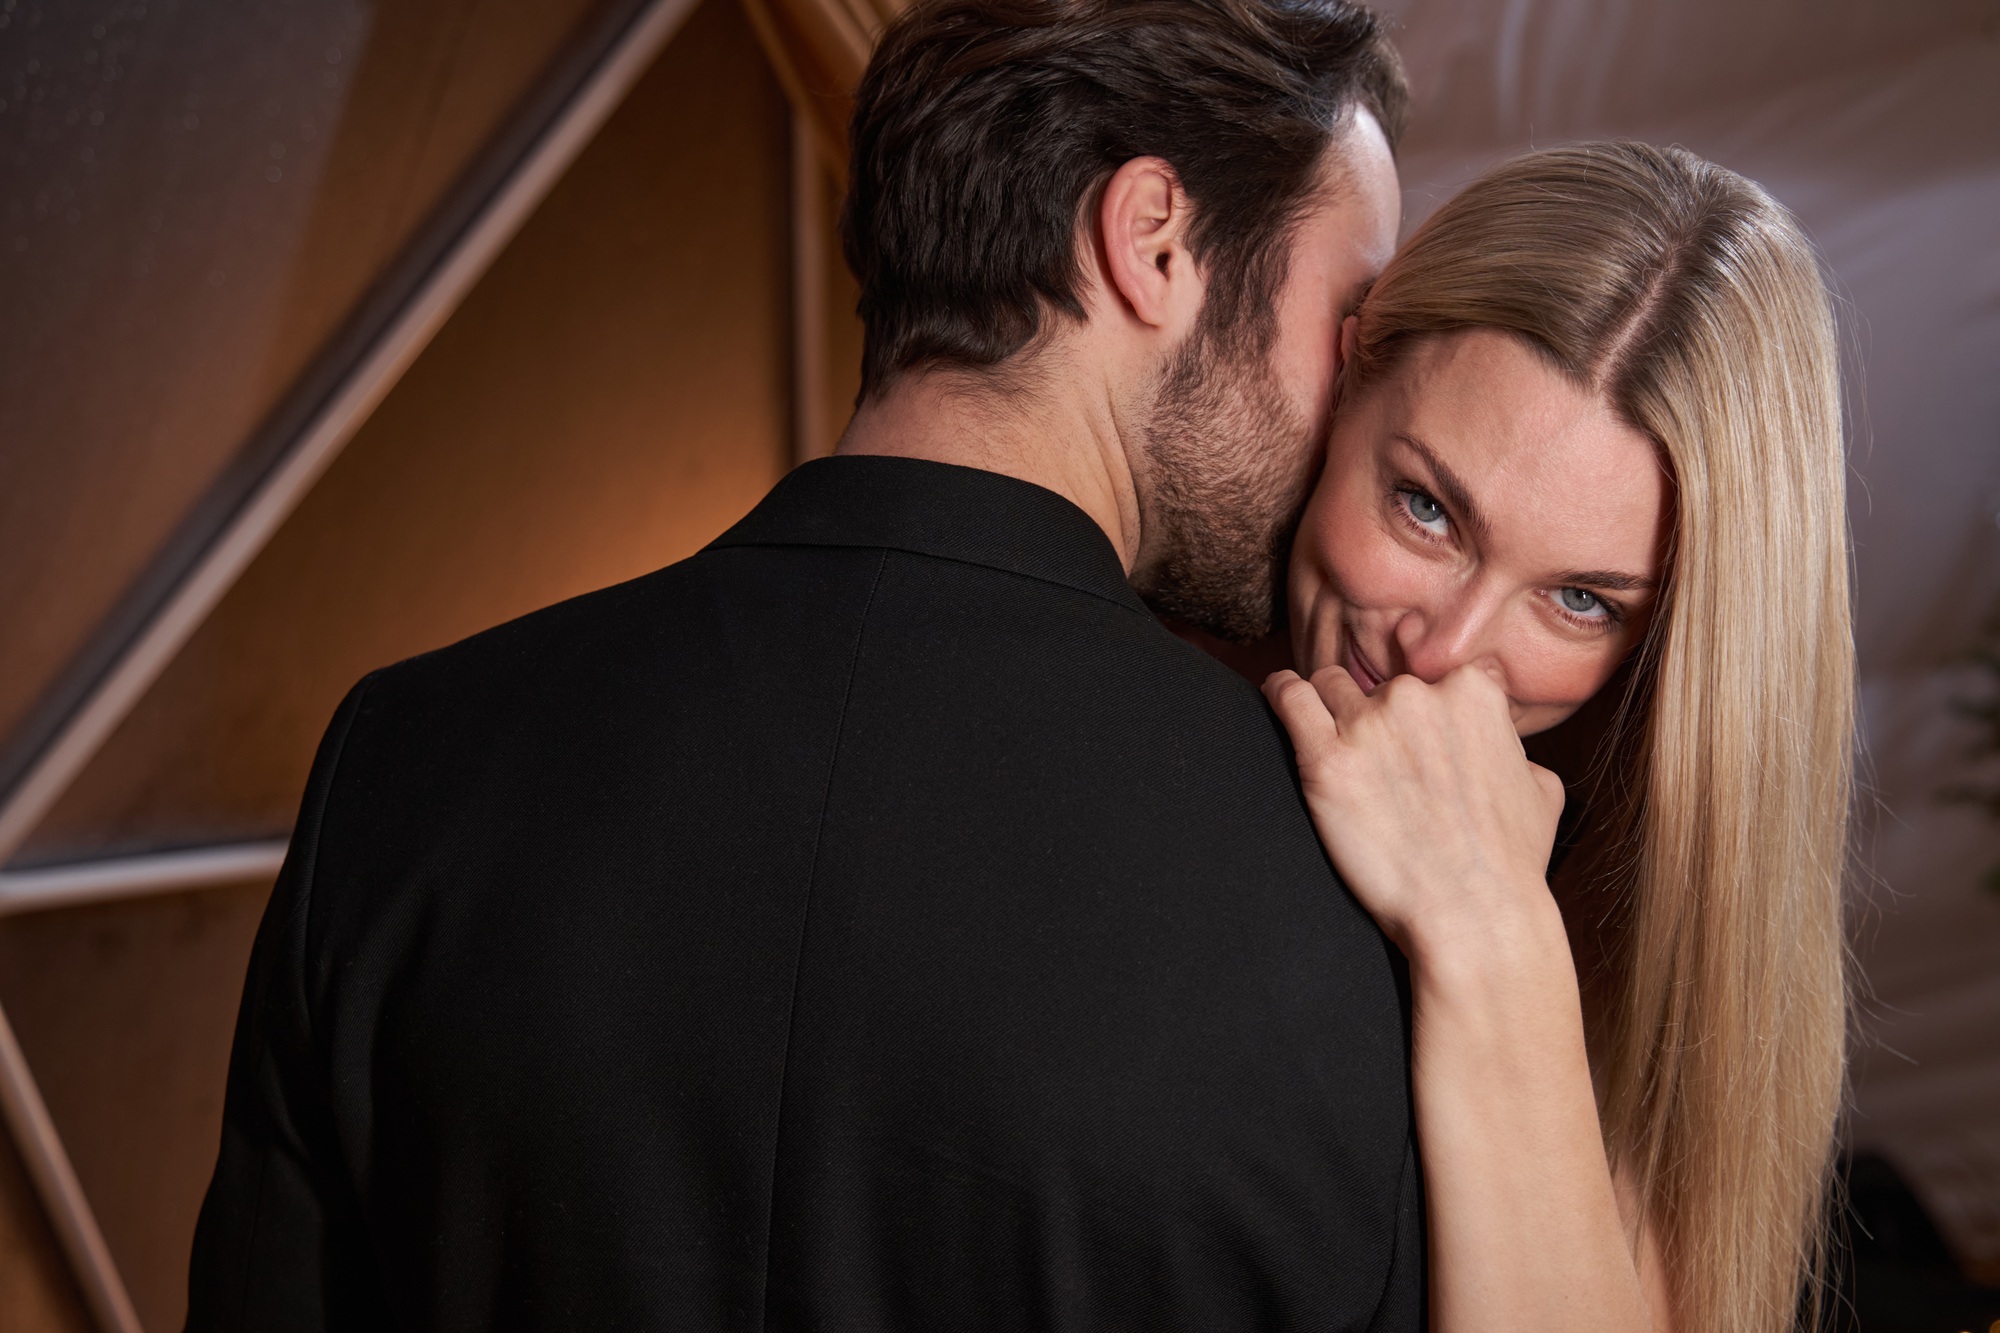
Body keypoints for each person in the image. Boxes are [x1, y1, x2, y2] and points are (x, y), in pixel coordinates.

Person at [186, 0, 1428, 1328]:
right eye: (1350, 320)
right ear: (1154, 242)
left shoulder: (406, 760)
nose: (1364, 401)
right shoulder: (1349, 870)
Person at [1263, 141, 1854, 1332]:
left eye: (1580, 599)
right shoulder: (1108, 682)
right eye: (1424, 507)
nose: (1442, 651)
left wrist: (1494, 942)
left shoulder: (1644, 929)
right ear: (1342, 381)